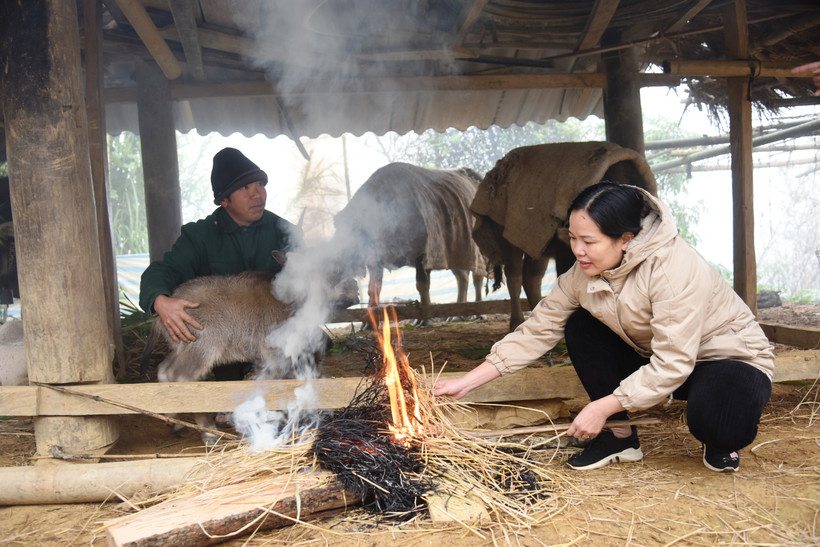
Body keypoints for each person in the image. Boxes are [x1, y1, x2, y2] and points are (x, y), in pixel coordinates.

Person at [434, 182, 774, 473]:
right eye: (572, 238)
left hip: (726, 358)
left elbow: (674, 362)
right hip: (659, 357)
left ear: (625, 238)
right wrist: (467, 382)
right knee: (580, 324)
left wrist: (601, 406)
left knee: (720, 423)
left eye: (589, 241)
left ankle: (719, 440)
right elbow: (539, 328)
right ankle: (620, 437)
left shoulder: (673, 269)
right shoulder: (582, 273)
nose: (578, 251)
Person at [139, 147, 301, 345]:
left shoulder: (286, 231)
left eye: (260, 184)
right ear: (223, 200)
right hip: (225, 338)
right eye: (245, 188)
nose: (257, 195)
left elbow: (319, 276)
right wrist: (160, 301)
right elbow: (163, 270)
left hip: (278, 333)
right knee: (224, 369)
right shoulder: (199, 236)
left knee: (315, 348)